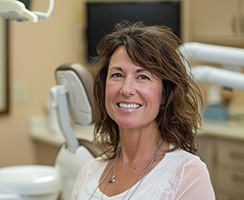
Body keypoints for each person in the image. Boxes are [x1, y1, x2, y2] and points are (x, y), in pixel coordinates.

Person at [71, 21, 215, 200]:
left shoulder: (188, 175)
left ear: (165, 94)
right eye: (117, 75)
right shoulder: (88, 172)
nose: (126, 89)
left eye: (143, 77)